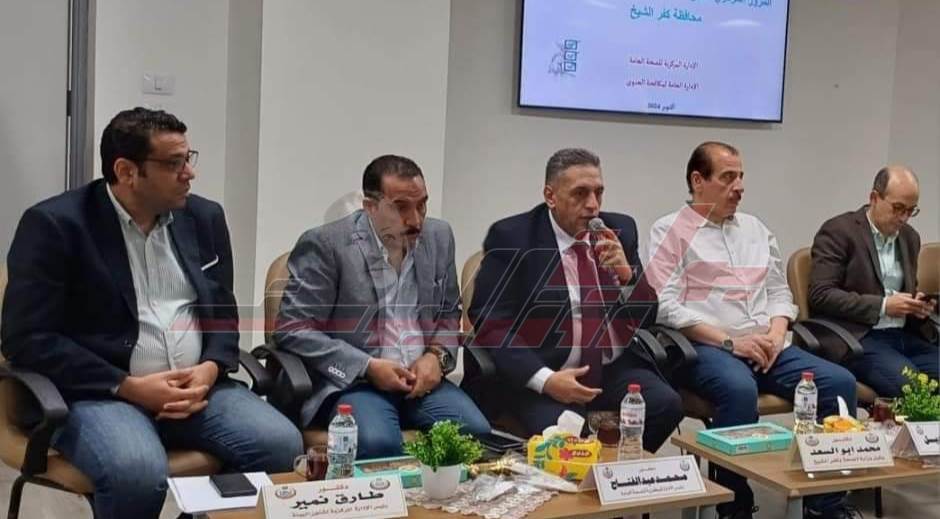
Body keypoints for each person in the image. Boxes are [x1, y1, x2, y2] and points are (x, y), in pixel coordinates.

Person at [1, 107, 302, 519]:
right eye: (174, 163)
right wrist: (127, 386)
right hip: (99, 394)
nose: (189, 173)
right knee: (136, 471)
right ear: (127, 171)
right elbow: (28, 339)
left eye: (188, 158)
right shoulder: (56, 225)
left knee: (281, 445)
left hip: (198, 390)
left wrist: (211, 368)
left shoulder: (204, 218)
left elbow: (221, 310)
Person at [646, 141, 859, 519]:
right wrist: (731, 341)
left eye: (741, 176)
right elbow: (664, 305)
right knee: (738, 390)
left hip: (768, 343)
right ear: (698, 181)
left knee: (839, 383)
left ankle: (824, 505)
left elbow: (779, 292)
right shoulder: (670, 230)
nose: (739, 186)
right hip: (708, 346)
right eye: (728, 177)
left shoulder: (756, 229)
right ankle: (734, 502)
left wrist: (777, 333)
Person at [274, 154, 490, 459]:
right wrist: (367, 366)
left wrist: (436, 356)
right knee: (380, 445)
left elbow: (448, 311)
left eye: (422, 205)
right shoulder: (327, 244)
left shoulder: (438, 236)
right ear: (370, 207)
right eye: (401, 207)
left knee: (475, 433)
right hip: (358, 383)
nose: (416, 220)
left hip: (421, 380)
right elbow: (293, 329)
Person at [468, 147, 682, 449]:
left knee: (666, 405)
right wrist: (546, 380)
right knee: (569, 437)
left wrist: (627, 277)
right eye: (580, 194)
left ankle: (618, 472)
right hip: (545, 371)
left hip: (610, 369)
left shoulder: (619, 231)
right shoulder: (513, 237)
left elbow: (645, 317)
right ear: (550, 196)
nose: (593, 205)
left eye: (598, 193)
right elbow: (492, 324)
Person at [809, 166, 938, 396]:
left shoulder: (909, 237)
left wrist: (917, 305)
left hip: (903, 334)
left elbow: (907, 289)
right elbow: (821, 294)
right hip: (859, 337)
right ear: (874, 198)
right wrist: (884, 306)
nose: (904, 218)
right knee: (914, 390)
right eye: (898, 208)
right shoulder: (839, 231)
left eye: (911, 211)